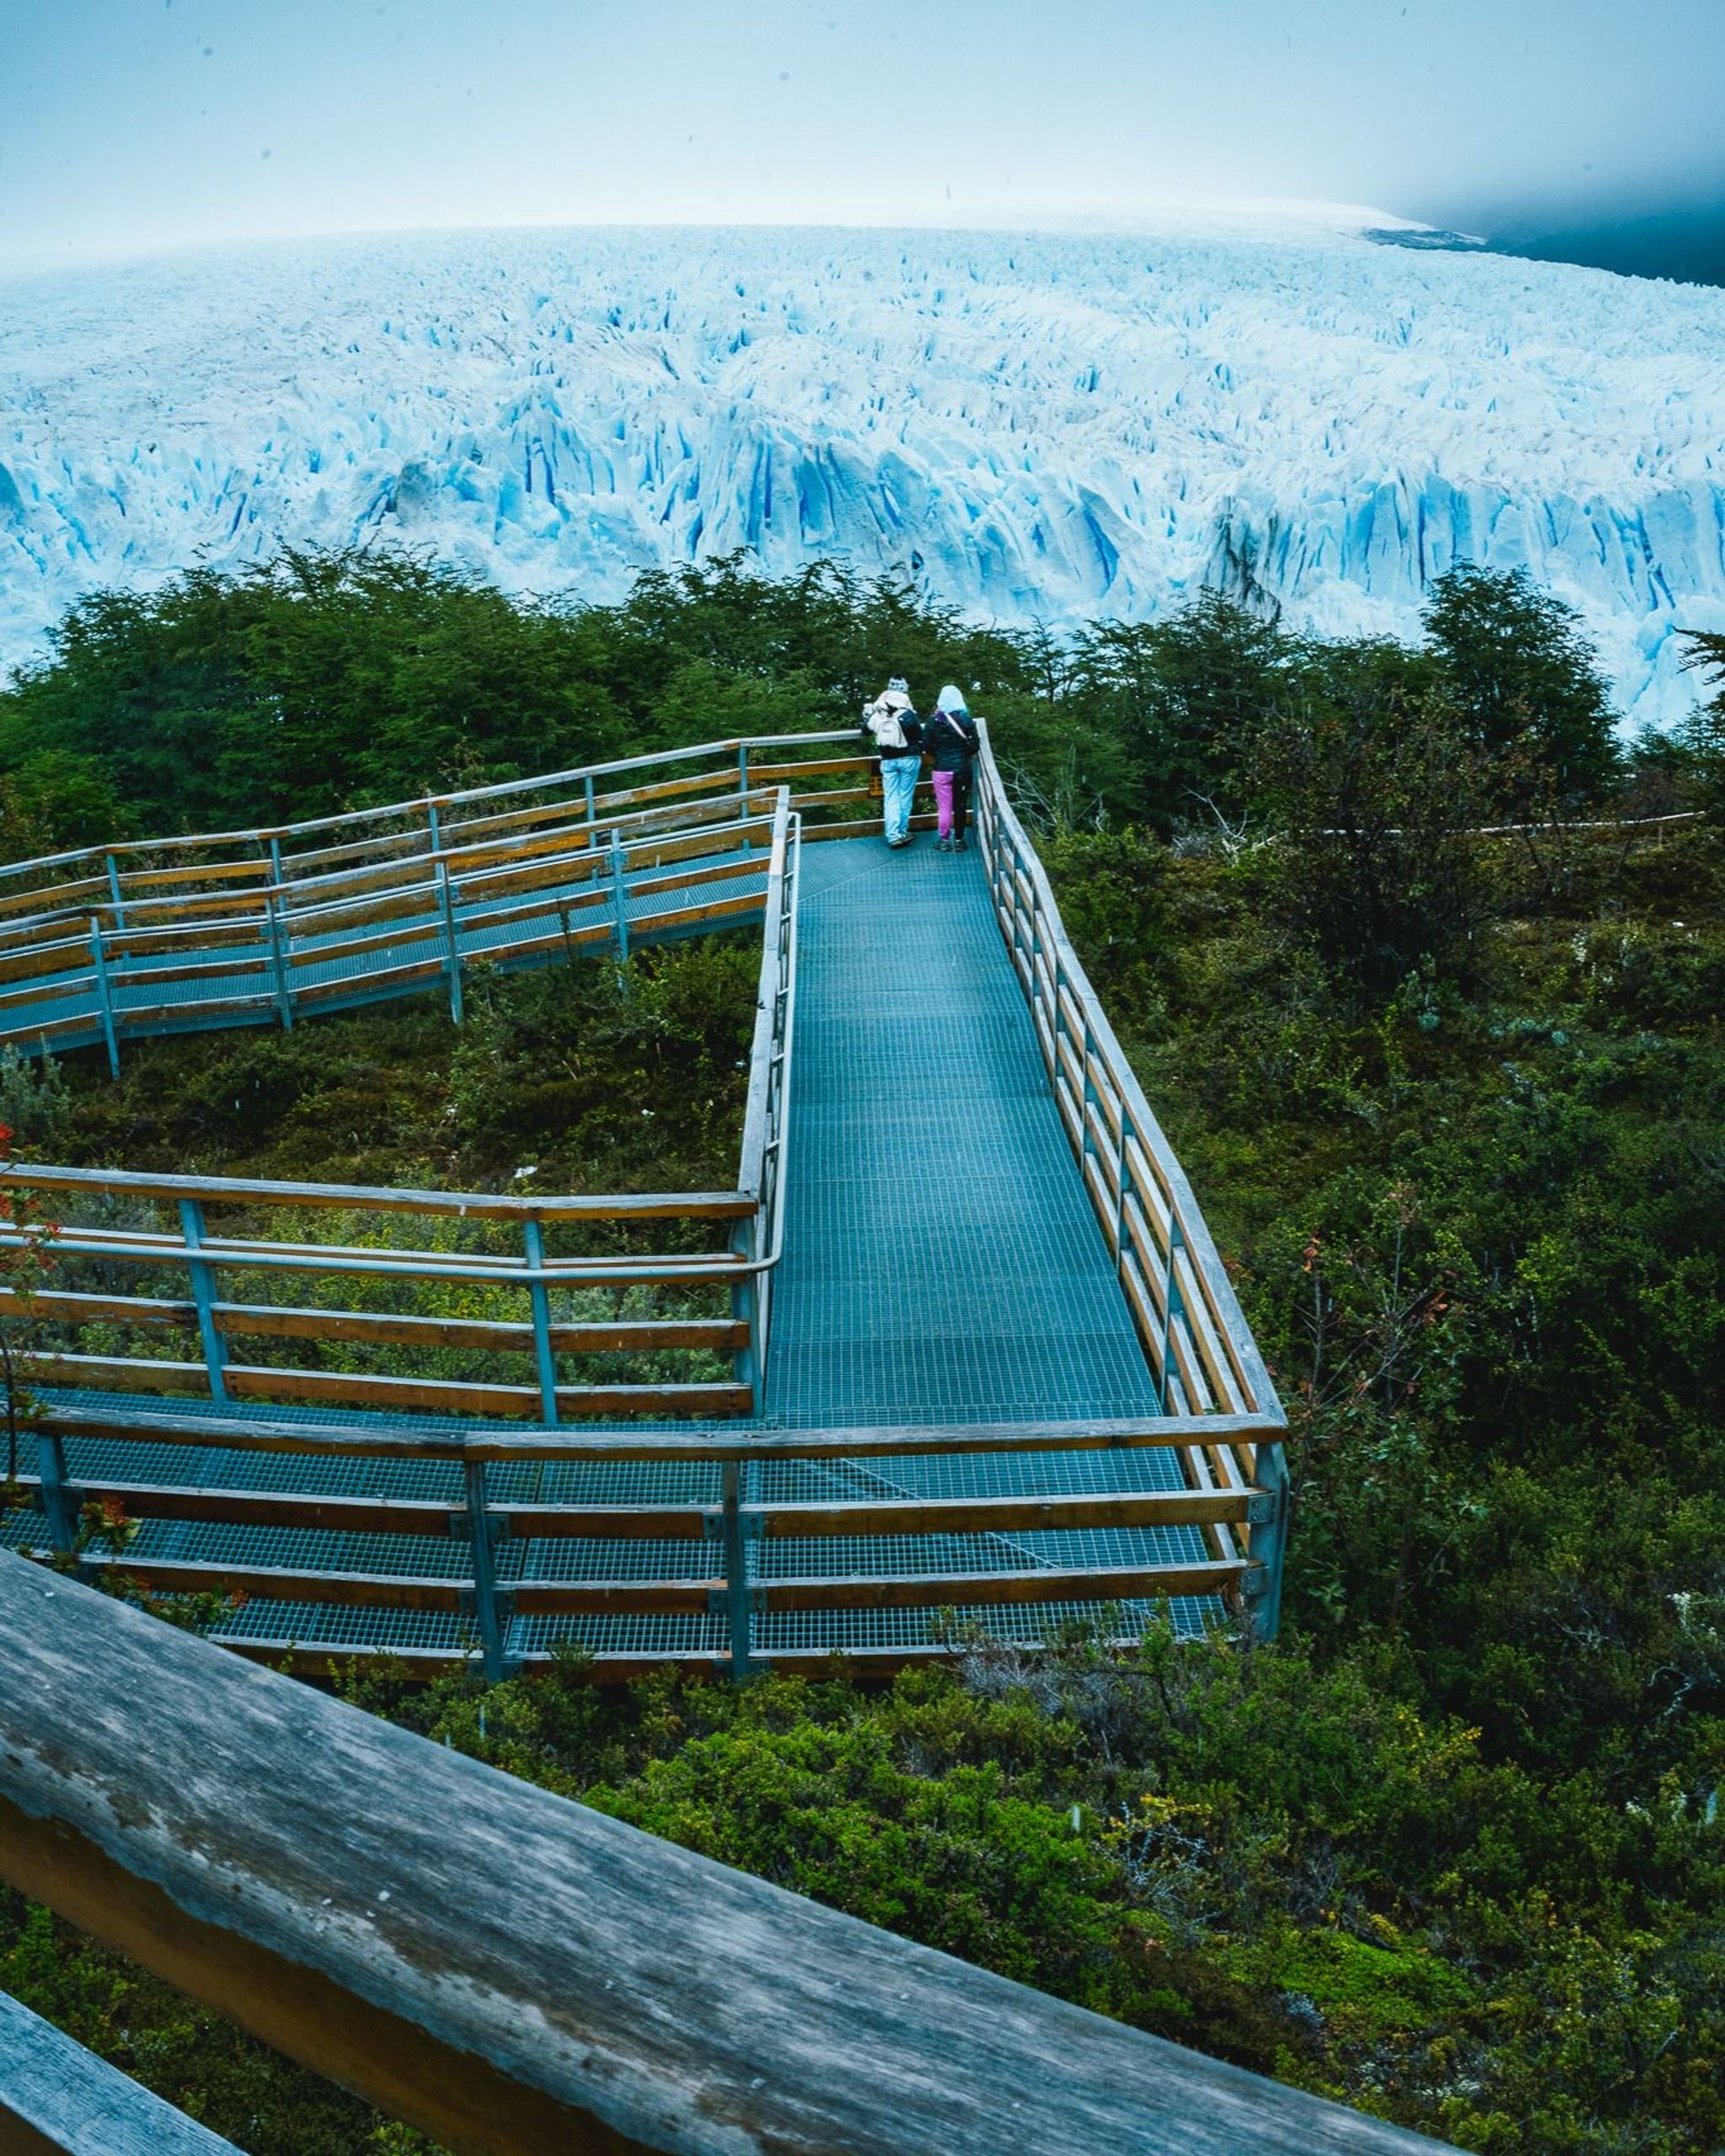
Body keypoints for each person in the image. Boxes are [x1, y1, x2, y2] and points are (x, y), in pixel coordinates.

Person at [861, 676, 923, 849]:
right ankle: (901, 832)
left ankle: (893, 835)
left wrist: (867, 714)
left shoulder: (878, 715)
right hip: (909, 759)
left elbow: (865, 730)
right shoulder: (908, 715)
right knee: (905, 796)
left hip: (888, 760)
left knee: (891, 798)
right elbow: (918, 737)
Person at [925, 684, 980, 851]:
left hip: (941, 768)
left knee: (944, 807)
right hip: (962, 769)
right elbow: (975, 746)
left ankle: (944, 841)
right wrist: (963, 754)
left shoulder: (934, 720)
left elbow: (926, 746)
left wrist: (939, 755)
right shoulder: (966, 720)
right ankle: (959, 840)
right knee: (960, 805)